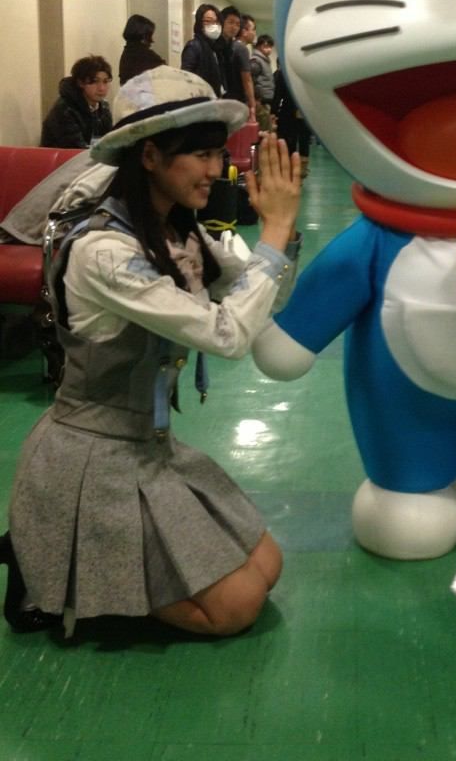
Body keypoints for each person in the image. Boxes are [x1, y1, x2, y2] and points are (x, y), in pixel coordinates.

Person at [2, 65, 302, 637]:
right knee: (237, 607)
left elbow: (269, 295)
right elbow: (227, 335)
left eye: (218, 154)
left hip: (149, 446)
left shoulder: (177, 231)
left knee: (268, 567)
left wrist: (277, 238)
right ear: (148, 156)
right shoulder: (104, 252)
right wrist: (274, 232)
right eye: (200, 155)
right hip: (93, 461)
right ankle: (58, 569)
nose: (216, 170)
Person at [40, 55, 114, 148]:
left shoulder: (103, 107)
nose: (101, 88)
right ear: (80, 82)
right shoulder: (65, 110)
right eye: (95, 81)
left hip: (92, 155)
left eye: (105, 81)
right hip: (64, 157)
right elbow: (75, 149)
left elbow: (109, 142)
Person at [273, 62, 311, 178]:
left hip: (289, 111)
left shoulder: (283, 73)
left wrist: (273, 112)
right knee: (302, 139)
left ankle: (291, 168)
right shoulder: (307, 72)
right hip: (302, 110)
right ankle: (301, 169)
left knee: (292, 139)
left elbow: (277, 95)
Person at [181, 4, 224, 95]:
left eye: (216, 22)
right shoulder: (193, 46)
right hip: (199, 97)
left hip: (213, 97)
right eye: (208, 21)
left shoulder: (216, 49)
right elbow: (186, 76)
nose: (213, 25)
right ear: (200, 24)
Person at [118, 14, 165, 84]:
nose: (152, 40)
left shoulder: (126, 54)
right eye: (149, 35)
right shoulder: (145, 55)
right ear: (143, 36)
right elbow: (164, 71)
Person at [230, 13, 258, 120]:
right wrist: (252, 103)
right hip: (239, 99)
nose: (254, 33)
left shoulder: (232, 45)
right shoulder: (242, 49)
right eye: (253, 29)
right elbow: (247, 79)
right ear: (244, 31)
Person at [250, 34, 275, 129]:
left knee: (266, 128)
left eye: (270, 47)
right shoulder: (256, 61)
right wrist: (256, 99)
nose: (269, 49)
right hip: (260, 101)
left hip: (265, 101)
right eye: (265, 46)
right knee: (263, 129)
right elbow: (251, 80)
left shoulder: (264, 60)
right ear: (258, 46)